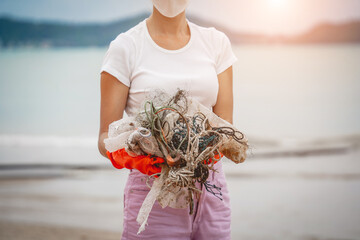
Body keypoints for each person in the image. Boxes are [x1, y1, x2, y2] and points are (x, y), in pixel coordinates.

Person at [98, 0, 238, 239]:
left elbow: (225, 126)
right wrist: (144, 159)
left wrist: (205, 150)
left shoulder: (216, 43)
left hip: (211, 191)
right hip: (152, 193)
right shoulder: (125, 47)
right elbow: (105, 139)